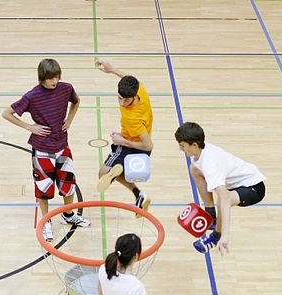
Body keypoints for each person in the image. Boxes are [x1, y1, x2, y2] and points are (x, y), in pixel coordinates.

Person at [2, 58, 90, 241]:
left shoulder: (66, 88)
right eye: (50, 78)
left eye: (57, 77)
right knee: (43, 189)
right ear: (42, 78)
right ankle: (46, 222)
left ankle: (68, 216)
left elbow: (76, 102)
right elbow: (6, 113)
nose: (54, 81)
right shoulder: (32, 96)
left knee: (68, 184)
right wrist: (29, 127)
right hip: (42, 150)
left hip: (62, 146)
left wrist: (70, 120)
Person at [174, 122, 266, 254]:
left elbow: (225, 200)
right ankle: (211, 216)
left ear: (194, 145)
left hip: (253, 188)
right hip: (239, 184)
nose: (180, 149)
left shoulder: (210, 164)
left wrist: (225, 236)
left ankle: (215, 237)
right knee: (194, 169)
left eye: (182, 146)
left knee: (223, 199)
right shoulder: (201, 152)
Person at [95, 59, 153, 213]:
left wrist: (122, 140)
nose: (121, 103)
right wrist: (112, 69)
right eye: (119, 98)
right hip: (134, 141)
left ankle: (119, 172)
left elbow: (148, 146)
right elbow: (129, 79)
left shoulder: (133, 117)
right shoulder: (139, 89)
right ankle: (138, 195)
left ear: (133, 97)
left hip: (133, 145)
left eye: (125, 100)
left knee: (103, 174)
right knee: (111, 173)